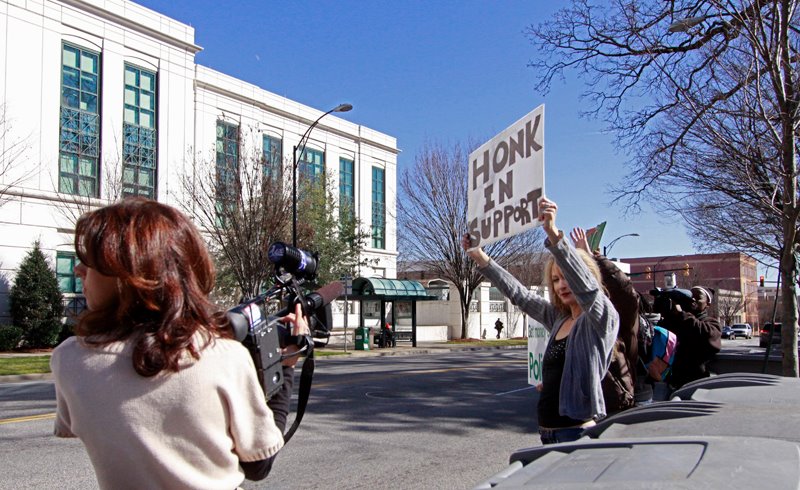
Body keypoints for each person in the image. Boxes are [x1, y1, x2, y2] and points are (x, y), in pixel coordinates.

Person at [50, 197, 307, 489]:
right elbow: (259, 464)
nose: (78, 271)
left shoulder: (67, 360)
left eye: (91, 262)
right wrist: (285, 367)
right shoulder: (223, 357)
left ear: (130, 275)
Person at [462, 197, 619, 445]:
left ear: (584, 276)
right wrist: (481, 258)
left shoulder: (600, 319)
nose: (562, 285)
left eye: (566, 277)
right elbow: (520, 295)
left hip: (577, 433)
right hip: (548, 432)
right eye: (556, 280)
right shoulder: (558, 318)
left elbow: (588, 291)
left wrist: (554, 235)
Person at [570, 227, 637, 413]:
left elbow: (625, 290)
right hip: (579, 410)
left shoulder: (617, 311)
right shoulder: (568, 315)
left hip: (615, 403)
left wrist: (594, 259)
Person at [657, 285, 722, 389]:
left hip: (696, 381)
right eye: (691, 296)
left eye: (698, 297)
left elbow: (708, 336)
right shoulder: (677, 319)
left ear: (708, 304)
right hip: (670, 380)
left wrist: (683, 315)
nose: (693, 299)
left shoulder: (711, 322)